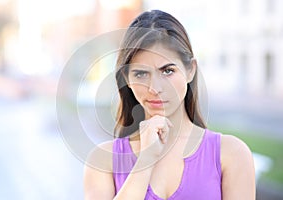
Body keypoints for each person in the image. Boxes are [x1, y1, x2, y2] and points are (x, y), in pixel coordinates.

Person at [83, 10, 255, 199]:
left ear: (190, 70)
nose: (154, 88)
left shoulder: (231, 154)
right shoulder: (104, 160)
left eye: (167, 71)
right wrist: (145, 160)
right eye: (140, 74)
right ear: (126, 79)